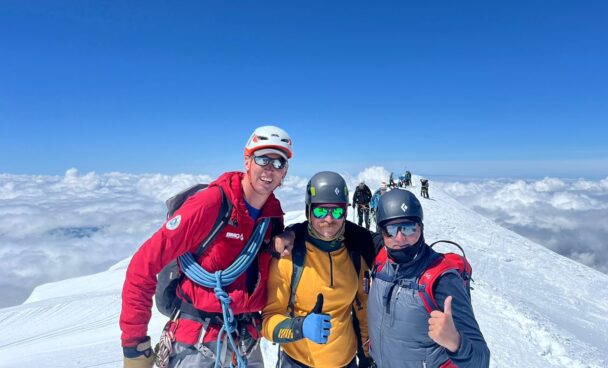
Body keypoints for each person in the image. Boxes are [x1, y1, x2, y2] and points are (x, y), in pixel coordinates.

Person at [120, 125, 295, 368]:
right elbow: (143, 264)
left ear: (285, 172)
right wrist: (134, 345)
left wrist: (289, 235)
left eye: (279, 163)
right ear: (247, 161)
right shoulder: (212, 203)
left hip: (245, 342)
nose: (270, 169)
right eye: (262, 158)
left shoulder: (272, 216)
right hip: (196, 342)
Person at [262, 171, 375, 367]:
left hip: (347, 361)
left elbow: (362, 311)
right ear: (308, 212)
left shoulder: (354, 257)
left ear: (345, 215)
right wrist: (301, 327)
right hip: (298, 361)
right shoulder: (289, 258)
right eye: (321, 211)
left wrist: (367, 355)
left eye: (337, 211)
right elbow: (268, 323)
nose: (329, 219)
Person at [368, 189, 490, 367]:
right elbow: (345, 231)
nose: (400, 238)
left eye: (409, 228)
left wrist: (456, 343)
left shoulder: (442, 280)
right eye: (392, 229)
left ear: (421, 228)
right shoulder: (380, 259)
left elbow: (481, 359)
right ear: (382, 233)